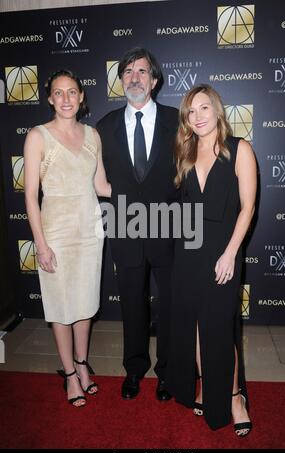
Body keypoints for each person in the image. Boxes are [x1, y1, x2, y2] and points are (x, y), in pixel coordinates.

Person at [166, 84, 257, 436]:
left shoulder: (239, 149)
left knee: (219, 329)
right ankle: (206, 385)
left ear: (217, 111)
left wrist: (231, 252)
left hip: (224, 252)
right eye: (191, 111)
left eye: (204, 108)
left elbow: (247, 207)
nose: (198, 117)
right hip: (188, 254)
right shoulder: (185, 152)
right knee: (196, 330)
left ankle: (235, 397)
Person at [24, 69, 111, 407]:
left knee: (85, 306)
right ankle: (70, 375)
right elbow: (31, 196)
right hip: (56, 233)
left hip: (90, 232)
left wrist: (141, 193)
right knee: (61, 308)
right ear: (49, 97)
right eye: (58, 93)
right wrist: (41, 245)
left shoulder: (93, 135)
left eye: (72, 92)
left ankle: (82, 364)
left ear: (81, 97)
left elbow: (102, 186)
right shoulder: (37, 136)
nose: (65, 99)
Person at [96, 47, 178, 400]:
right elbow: (101, 182)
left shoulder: (178, 121)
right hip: (126, 226)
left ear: (154, 80)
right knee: (131, 303)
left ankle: (168, 372)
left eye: (141, 71)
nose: (134, 77)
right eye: (127, 71)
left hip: (171, 226)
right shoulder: (105, 126)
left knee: (171, 304)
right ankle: (133, 369)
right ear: (121, 81)